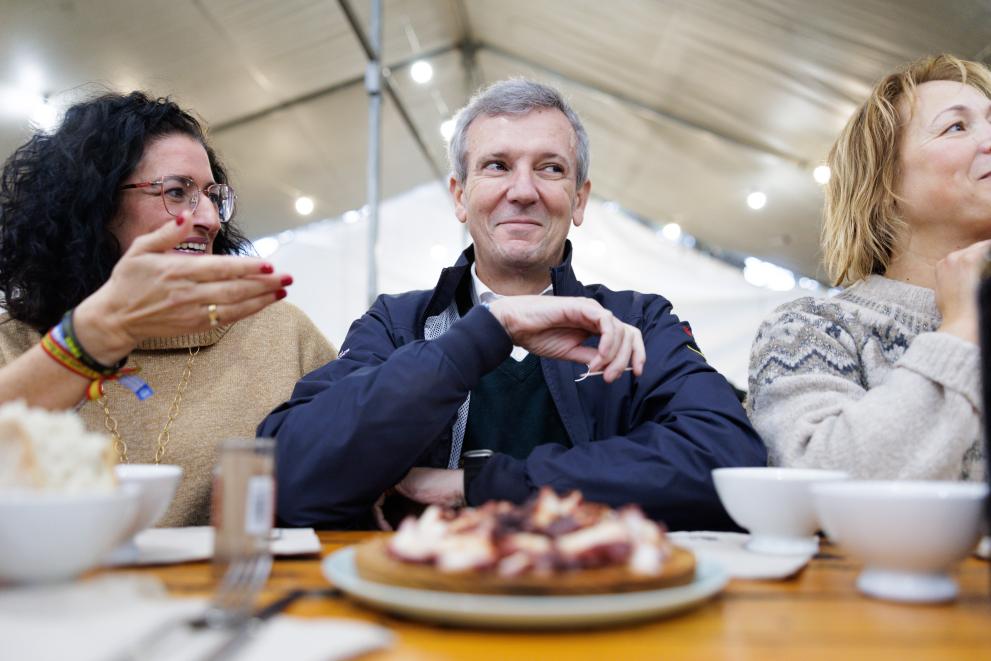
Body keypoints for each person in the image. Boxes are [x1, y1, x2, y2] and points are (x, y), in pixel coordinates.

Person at [260, 78, 766, 530]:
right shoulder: (396, 324)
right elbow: (289, 474)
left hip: (604, 611)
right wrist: (485, 333)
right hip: (422, 612)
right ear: (460, 196)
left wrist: (476, 485)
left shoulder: (638, 322)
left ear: (580, 199)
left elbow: (730, 464)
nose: (522, 191)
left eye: (549, 168)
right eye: (497, 165)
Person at [0, 91, 336, 525]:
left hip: (237, 589)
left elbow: (352, 462)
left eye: (214, 196)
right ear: (95, 205)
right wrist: (92, 338)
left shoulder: (282, 334)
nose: (211, 218)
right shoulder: (17, 343)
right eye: (177, 192)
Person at [748, 54, 988, 482]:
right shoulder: (812, 329)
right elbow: (818, 482)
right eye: (956, 126)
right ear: (883, 187)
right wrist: (962, 328)